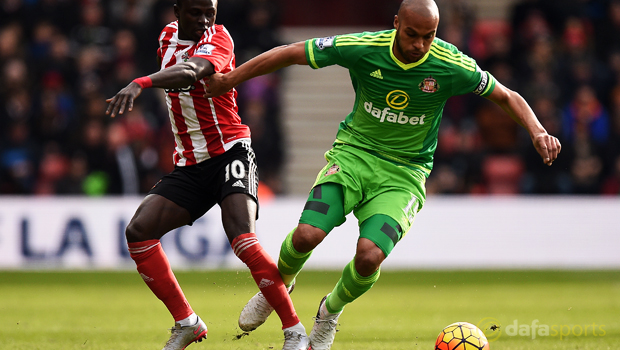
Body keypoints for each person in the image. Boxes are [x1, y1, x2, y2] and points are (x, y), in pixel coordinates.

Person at [205, 0, 562, 349]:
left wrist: (537, 131)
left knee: (369, 256)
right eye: (411, 35)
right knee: (306, 236)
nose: (419, 45)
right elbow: (292, 51)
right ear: (395, 24)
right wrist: (230, 80)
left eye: (429, 36)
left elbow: (506, 95)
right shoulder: (363, 47)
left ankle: (329, 312)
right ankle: (279, 284)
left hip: (404, 173)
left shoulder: (451, 64)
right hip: (354, 156)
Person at [104, 1, 309, 349]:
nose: (204, 20)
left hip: (230, 151)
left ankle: (295, 333)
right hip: (191, 164)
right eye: (195, 12)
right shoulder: (166, 38)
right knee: (138, 232)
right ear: (176, 10)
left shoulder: (219, 39)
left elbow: (189, 72)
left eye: (210, 12)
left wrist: (140, 82)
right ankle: (187, 323)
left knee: (242, 238)